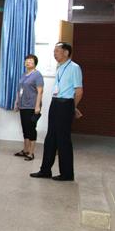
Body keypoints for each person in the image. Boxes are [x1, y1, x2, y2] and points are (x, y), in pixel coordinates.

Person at [31, 42, 83, 181]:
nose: (54, 54)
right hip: (56, 103)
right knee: (50, 138)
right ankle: (45, 170)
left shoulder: (74, 68)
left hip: (65, 104)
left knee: (63, 140)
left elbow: (79, 91)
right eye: (54, 51)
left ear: (66, 52)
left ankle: (67, 174)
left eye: (57, 51)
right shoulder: (59, 67)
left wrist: (72, 107)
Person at [14, 55, 44, 161]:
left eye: (30, 61)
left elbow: (40, 91)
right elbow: (19, 90)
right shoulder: (24, 75)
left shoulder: (37, 75)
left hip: (32, 106)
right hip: (23, 105)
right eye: (26, 61)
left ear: (35, 63)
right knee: (25, 128)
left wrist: (37, 106)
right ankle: (25, 150)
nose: (28, 62)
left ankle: (31, 153)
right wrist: (17, 102)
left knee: (31, 129)